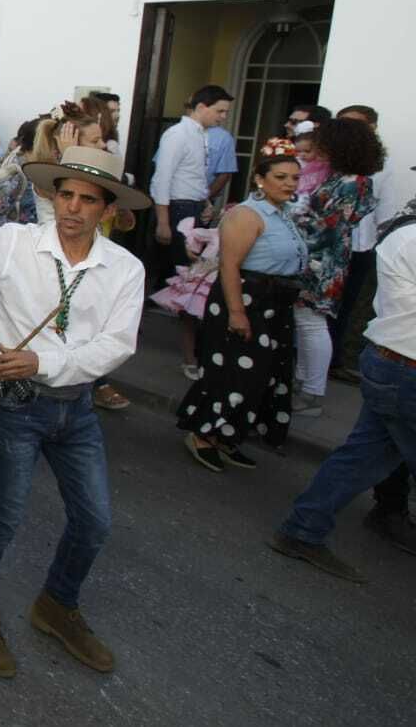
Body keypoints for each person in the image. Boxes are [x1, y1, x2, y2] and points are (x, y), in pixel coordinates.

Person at [0, 147, 148, 679]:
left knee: (94, 522)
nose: (73, 207)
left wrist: (44, 360)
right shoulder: (14, 243)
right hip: (15, 407)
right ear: (53, 196)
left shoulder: (125, 269)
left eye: (88, 200)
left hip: (78, 410)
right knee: (5, 517)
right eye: (65, 194)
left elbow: (117, 346)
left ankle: (57, 605)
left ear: (107, 210)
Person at [270, 184, 416, 582]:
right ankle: (302, 530)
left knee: (361, 457)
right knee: (361, 456)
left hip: (393, 362)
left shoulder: (404, 231)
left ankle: (302, 530)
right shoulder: (412, 236)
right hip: (405, 367)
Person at [176, 143, 308, 471]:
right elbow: (230, 266)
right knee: (232, 374)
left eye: (295, 177)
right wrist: (237, 312)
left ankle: (226, 437)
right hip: (245, 301)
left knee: (259, 377)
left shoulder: (284, 214)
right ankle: (201, 434)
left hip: (273, 306)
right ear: (260, 179)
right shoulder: (246, 214)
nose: (290, 183)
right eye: (280, 176)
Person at [291, 117, 383, 417]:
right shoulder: (340, 177)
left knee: (313, 324)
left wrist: (288, 221)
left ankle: (312, 394)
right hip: (319, 259)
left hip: (323, 262)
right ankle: (303, 384)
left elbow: (328, 227)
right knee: (305, 323)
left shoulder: (353, 182)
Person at [151, 85, 233, 380]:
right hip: (178, 210)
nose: (223, 117)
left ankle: (194, 349)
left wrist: (206, 202)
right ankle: (189, 352)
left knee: (196, 278)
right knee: (188, 280)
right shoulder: (177, 134)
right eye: (219, 110)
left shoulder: (200, 135)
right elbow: (163, 178)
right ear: (201, 106)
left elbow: (195, 175)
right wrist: (163, 220)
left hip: (193, 207)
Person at [329, 105, 390, 385]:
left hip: (359, 248)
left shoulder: (377, 167)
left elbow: (382, 213)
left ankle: (335, 361)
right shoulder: (329, 164)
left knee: (346, 308)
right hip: (331, 249)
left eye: (353, 125)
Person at [205, 119, 239, 214]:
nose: (224, 116)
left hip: (203, 199)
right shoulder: (177, 132)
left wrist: (205, 198)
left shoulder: (223, 137)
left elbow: (225, 173)